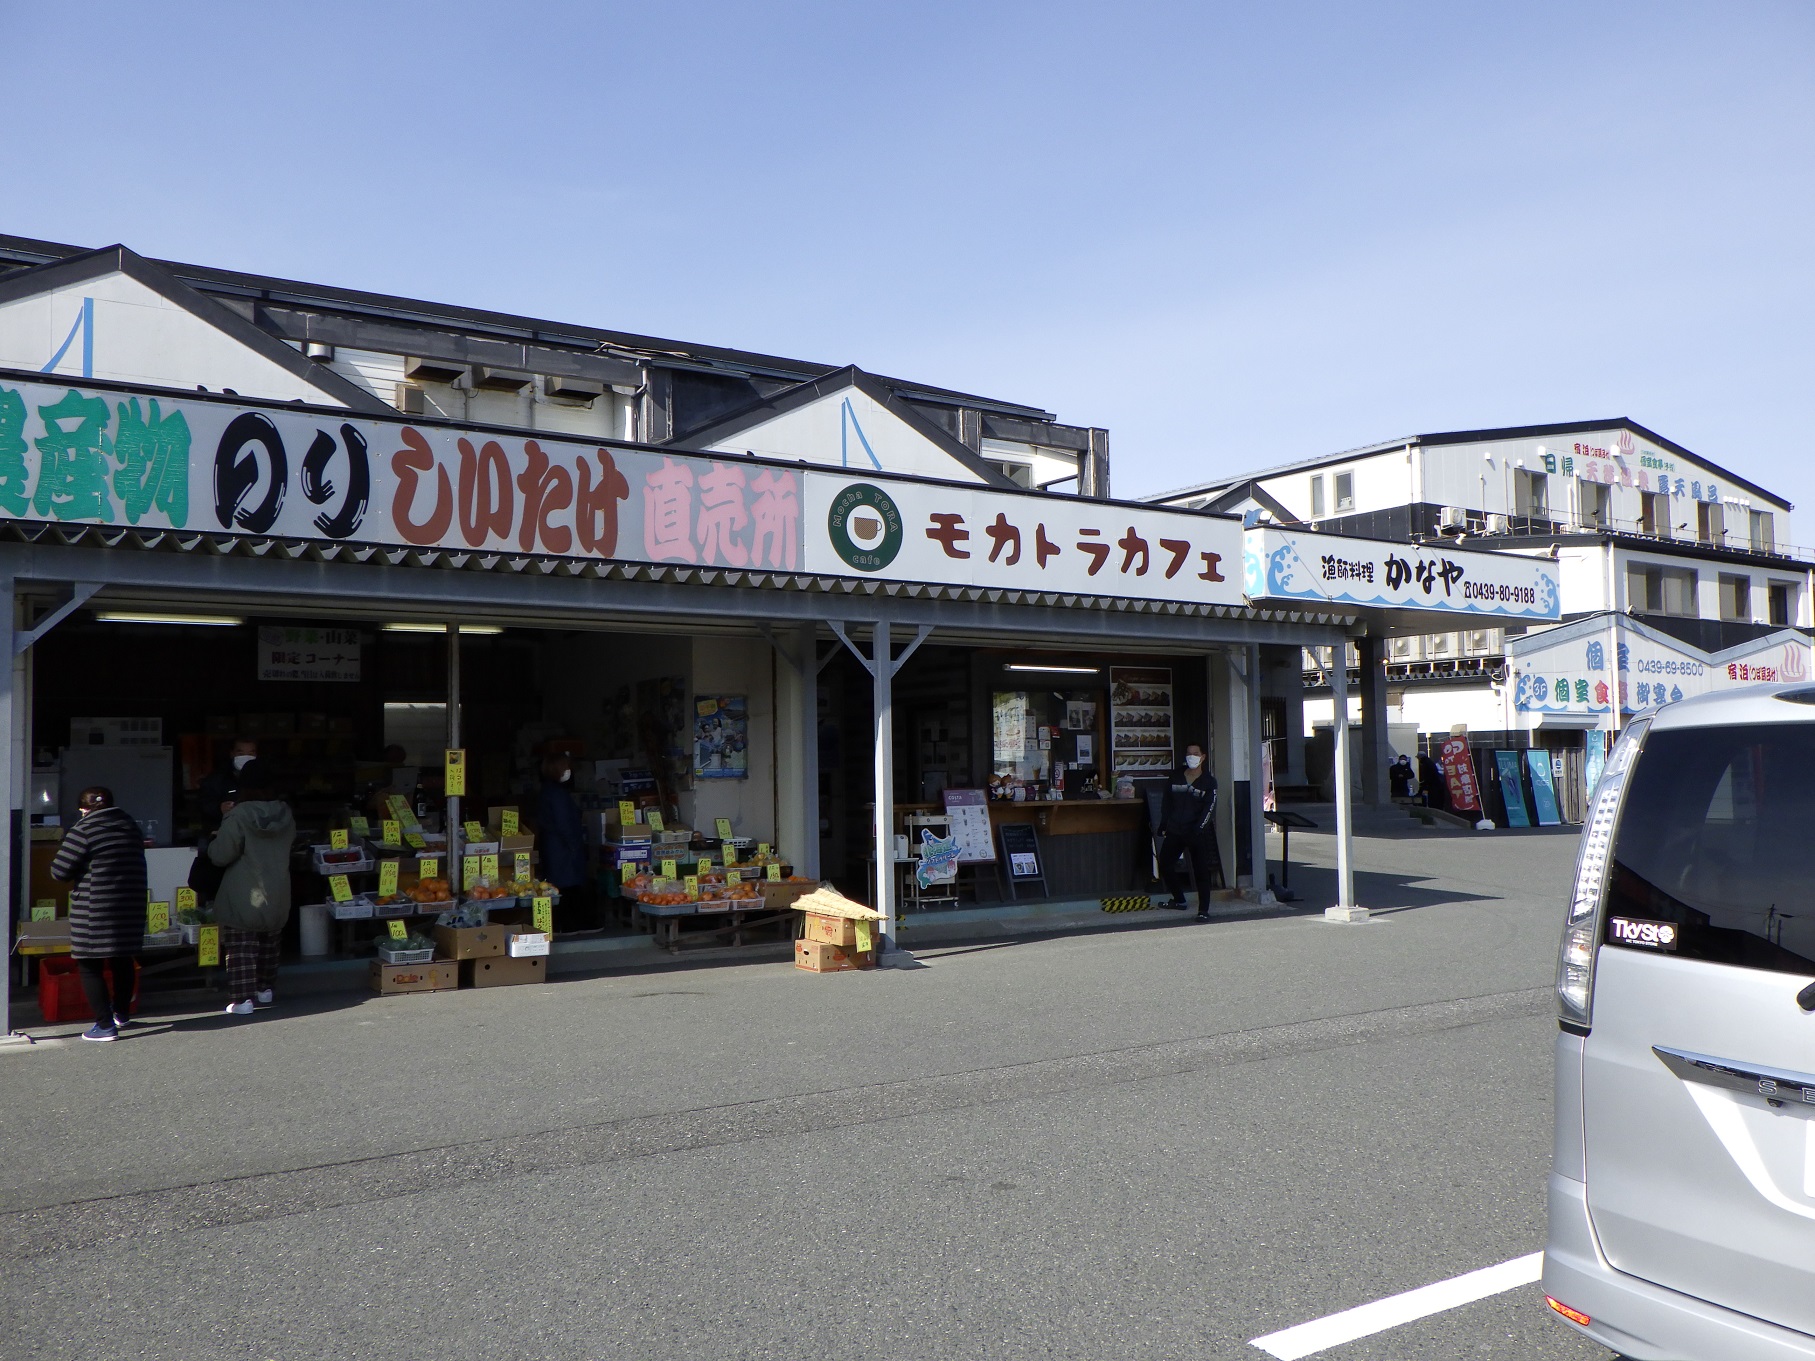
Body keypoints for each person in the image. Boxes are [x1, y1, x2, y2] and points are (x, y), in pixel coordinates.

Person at [50, 786, 149, 1042]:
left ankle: (104, 1025)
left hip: (96, 908)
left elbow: (60, 871)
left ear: (83, 809)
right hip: (130, 904)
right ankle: (122, 1015)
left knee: (89, 964)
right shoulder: (130, 826)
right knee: (122, 959)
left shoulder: (83, 829)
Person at [207, 760, 296, 1017]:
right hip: (278, 889)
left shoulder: (239, 815)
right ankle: (265, 989)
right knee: (270, 940)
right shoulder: (285, 813)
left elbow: (222, 854)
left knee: (241, 947)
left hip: (245, 889)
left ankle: (243, 999)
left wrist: (215, 838)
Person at [1156, 742, 1222, 921]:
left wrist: (1198, 828)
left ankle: (1203, 910)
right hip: (1175, 829)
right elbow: (1167, 802)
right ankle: (1179, 900)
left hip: (1196, 833)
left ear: (1203, 757)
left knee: (1201, 871)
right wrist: (1164, 823)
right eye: (1188, 753)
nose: (1191, 756)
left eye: (1195, 753)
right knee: (1165, 863)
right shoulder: (1176, 776)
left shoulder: (1209, 782)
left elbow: (1210, 808)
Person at [535, 752, 587, 928]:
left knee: (556, 886)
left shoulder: (547, 790)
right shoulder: (557, 793)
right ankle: (567, 926)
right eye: (566, 767)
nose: (569, 771)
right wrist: (574, 844)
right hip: (562, 847)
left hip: (554, 845)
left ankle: (561, 925)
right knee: (566, 887)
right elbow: (564, 821)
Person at [199, 737, 258, 825]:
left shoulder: (264, 778)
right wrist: (219, 808)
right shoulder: (218, 778)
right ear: (232, 754)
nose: (246, 758)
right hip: (227, 829)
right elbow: (204, 804)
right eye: (241, 754)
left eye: (250, 754)